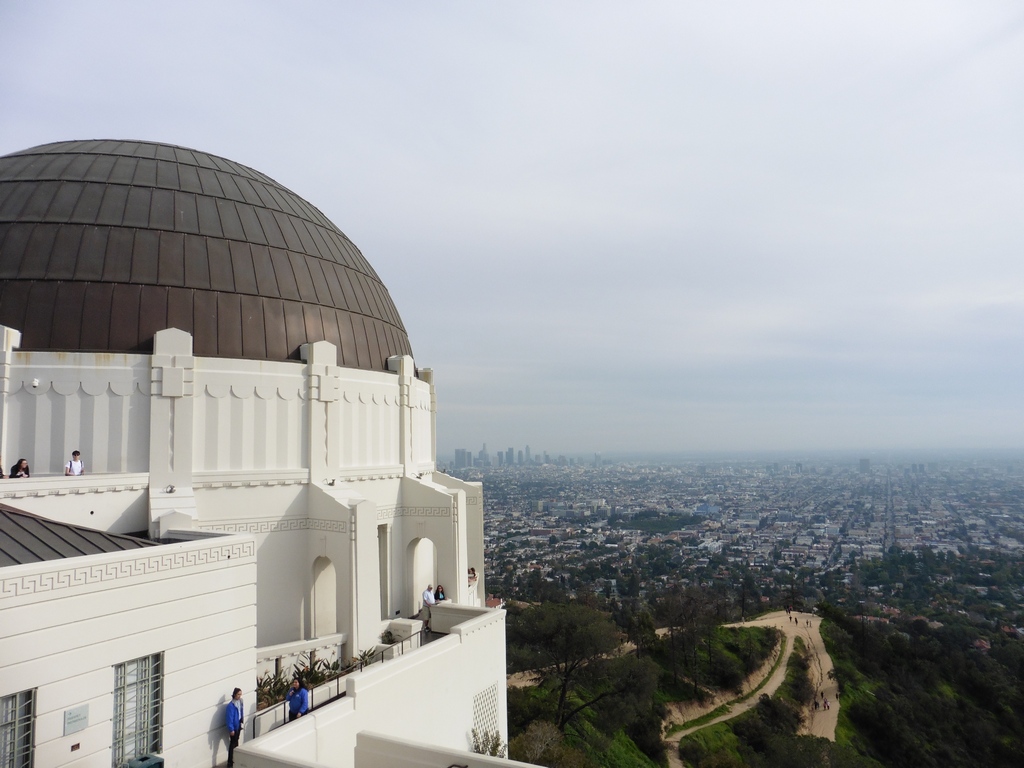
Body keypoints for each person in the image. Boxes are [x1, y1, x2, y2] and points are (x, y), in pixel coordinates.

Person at [226, 687, 244, 767]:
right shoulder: (231, 706)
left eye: (240, 694)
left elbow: (241, 712)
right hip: (234, 726)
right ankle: (230, 762)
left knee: (236, 742)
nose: (239, 696)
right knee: (232, 744)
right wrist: (231, 729)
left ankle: (236, 759)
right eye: (238, 694)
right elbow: (229, 718)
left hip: (238, 724)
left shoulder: (240, 702)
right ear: (234, 695)